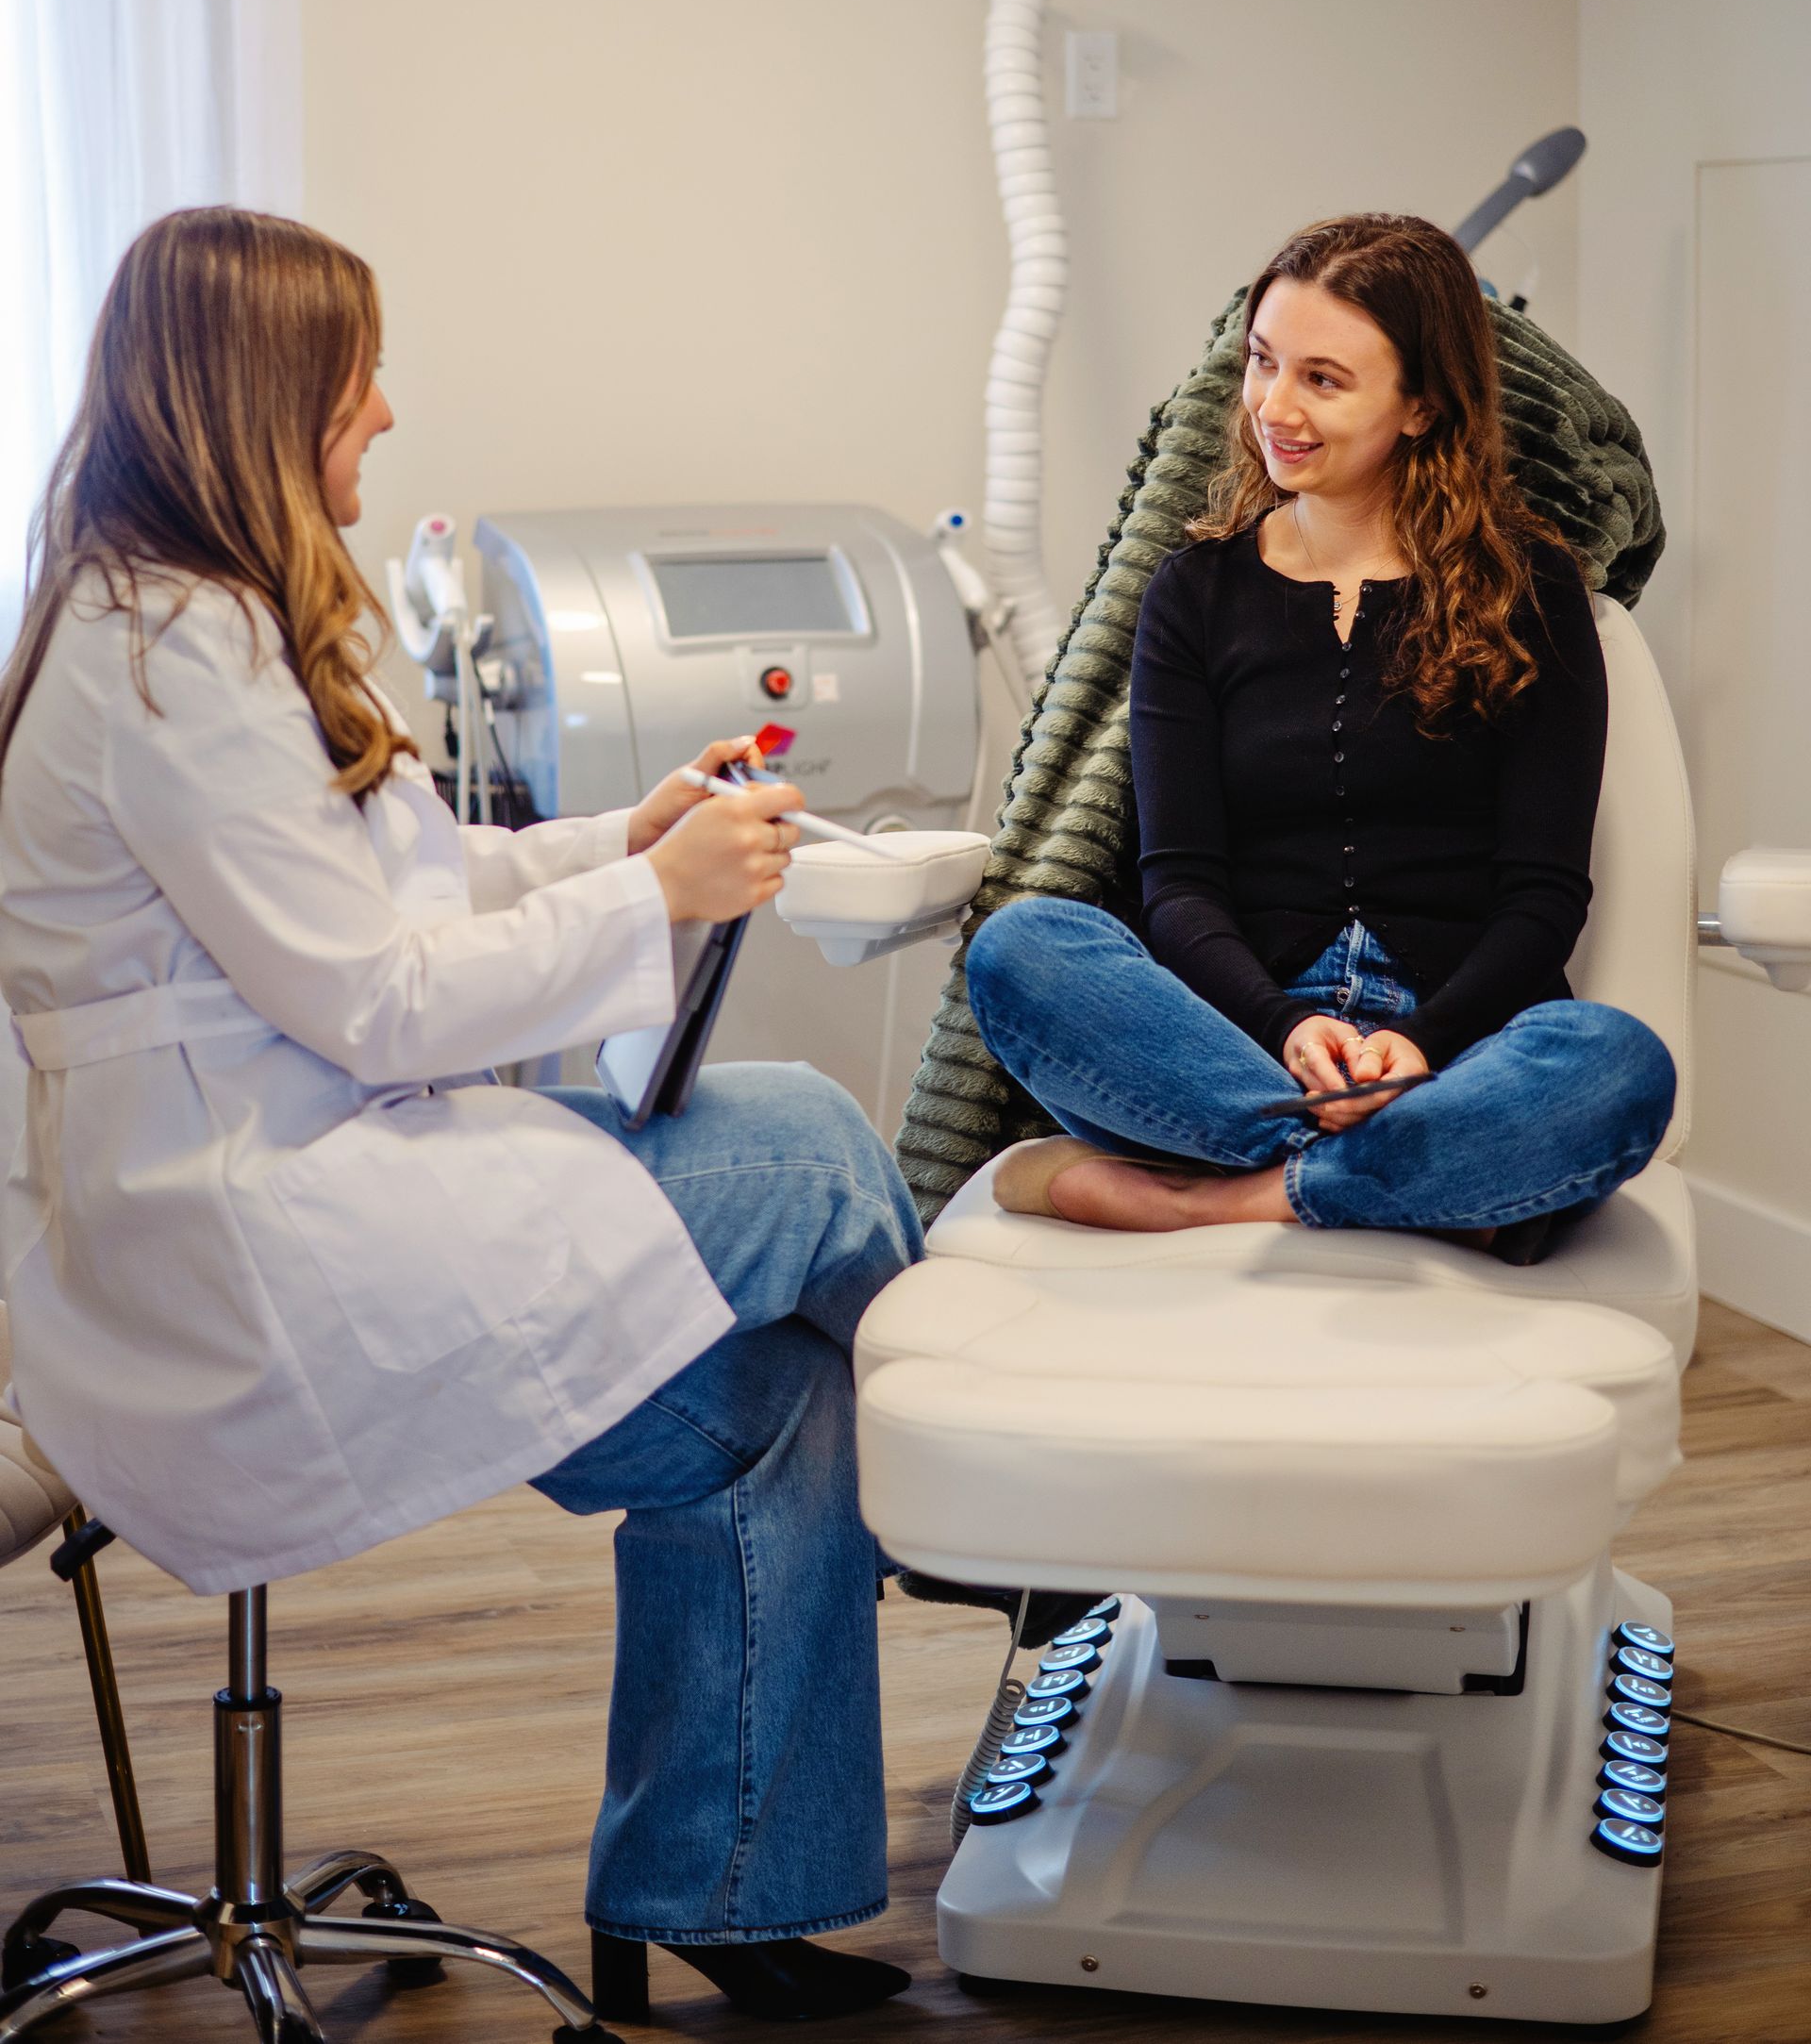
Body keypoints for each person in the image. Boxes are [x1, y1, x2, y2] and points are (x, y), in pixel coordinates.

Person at [0, 208, 921, 2022]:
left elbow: (395, 895)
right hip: (245, 1253)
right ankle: (1014, 1532)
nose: (386, 412)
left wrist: (623, 844)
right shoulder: (178, 655)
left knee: (773, 1404)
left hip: (272, 1194)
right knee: (811, 1143)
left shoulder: (178, 621)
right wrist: (656, 902)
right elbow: (377, 996)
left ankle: (722, 1892)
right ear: (265, 399)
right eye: (358, 379)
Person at [964, 212, 1675, 1258]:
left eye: (1323, 380)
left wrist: (1419, 1044)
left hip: (1452, 1052)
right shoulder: (1194, 593)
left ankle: (1209, 1198)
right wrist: (1286, 1028)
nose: (1274, 407)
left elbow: (1543, 895)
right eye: (1263, 361)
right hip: (1236, 1048)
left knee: (1616, 1063)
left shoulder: (1532, 589)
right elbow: (1181, 885)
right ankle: (1441, 1184)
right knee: (1022, 948)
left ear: (1423, 404)